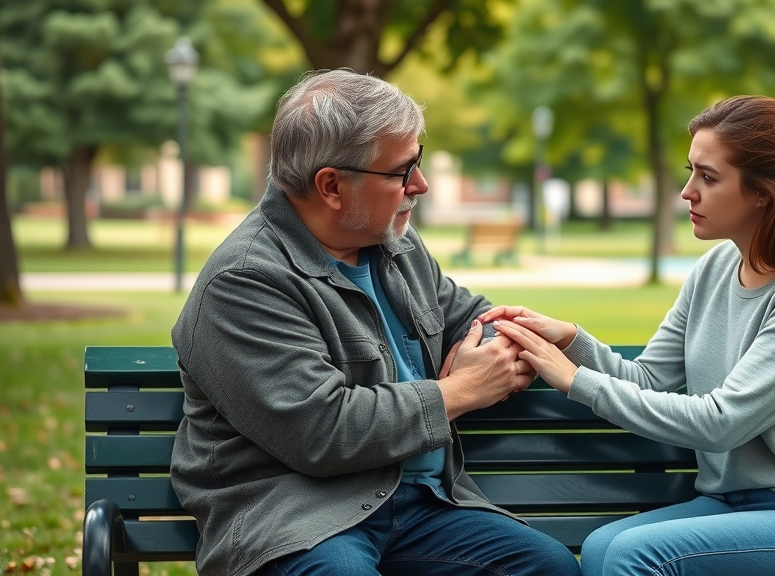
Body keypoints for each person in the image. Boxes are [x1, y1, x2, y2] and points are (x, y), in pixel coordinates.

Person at [170, 68, 582, 576]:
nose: (421, 184)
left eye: (419, 161)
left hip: (421, 505)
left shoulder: (395, 245)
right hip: (298, 517)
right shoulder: (243, 282)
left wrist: (491, 347)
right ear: (332, 186)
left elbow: (476, 319)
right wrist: (465, 388)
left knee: (546, 567)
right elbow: (323, 431)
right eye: (401, 170)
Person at [481, 95, 775, 576]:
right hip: (730, 504)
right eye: (691, 171)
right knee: (605, 545)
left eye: (708, 178)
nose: (687, 192)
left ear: (763, 193)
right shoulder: (714, 267)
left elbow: (722, 422)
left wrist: (574, 381)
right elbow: (649, 380)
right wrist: (571, 341)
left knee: (634, 555)